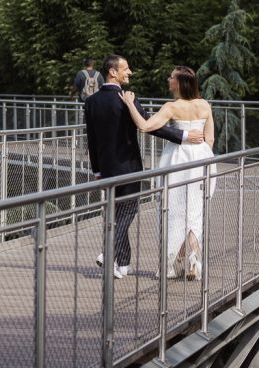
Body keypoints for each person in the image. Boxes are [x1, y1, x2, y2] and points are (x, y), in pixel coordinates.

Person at [84, 54, 204, 279]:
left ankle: (124, 264)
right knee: (127, 212)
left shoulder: (91, 102)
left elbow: (91, 139)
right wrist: (185, 136)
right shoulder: (126, 98)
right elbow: (151, 126)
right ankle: (109, 254)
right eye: (126, 69)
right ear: (113, 72)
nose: (129, 72)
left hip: (107, 170)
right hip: (129, 168)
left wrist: (97, 170)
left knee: (115, 215)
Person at [121, 65, 214, 281]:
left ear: (179, 83)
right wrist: (201, 153)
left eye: (171, 77)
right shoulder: (204, 105)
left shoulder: (172, 107)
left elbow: (144, 126)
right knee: (195, 211)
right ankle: (194, 260)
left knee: (173, 210)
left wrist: (129, 103)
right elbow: (209, 138)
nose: (168, 79)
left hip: (178, 159)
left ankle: (172, 264)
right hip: (201, 157)